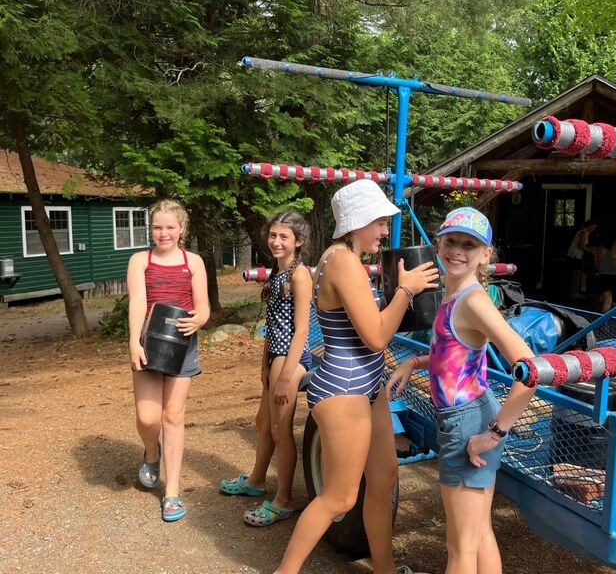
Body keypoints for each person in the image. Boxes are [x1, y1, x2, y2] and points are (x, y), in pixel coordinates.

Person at [271, 179, 439, 574]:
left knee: (383, 478)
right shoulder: (343, 260)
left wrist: (396, 296)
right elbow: (377, 336)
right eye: (379, 222)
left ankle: (384, 568)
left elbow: (366, 318)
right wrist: (406, 291)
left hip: (368, 386)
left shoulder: (346, 259)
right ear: (357, 221)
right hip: (343, 391)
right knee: (341, 497)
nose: (384, 231)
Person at [386, 207, 537, 574]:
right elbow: (453, 355)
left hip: (469, 422)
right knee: (479, 534)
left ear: (486, 254)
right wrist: (412, 363)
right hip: (469, 413)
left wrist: (495, 431)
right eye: (451, 241)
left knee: (460, 548)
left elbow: (530, 369)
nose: (457, 250)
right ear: (437, 243)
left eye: (469, 245)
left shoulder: (472, 300)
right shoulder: (455, 295)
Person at [220, 211, 313, 527]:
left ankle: (284, 500)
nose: (276, 241)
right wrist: (264, 364)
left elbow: (301, 330)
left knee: (280, 430)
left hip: (291, 359)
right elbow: (271, 326)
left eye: (283, 236)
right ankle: (257, 480)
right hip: (274, 357)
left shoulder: (299, 275)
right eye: (273, 235)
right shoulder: (277, 273)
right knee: (264, 422)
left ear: (298, 241)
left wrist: (286, 374)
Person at [127, 199, 210, 523]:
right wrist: (134, 341)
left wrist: (199, 320)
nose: (164, 233)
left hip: (182, 344)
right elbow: (137, 301)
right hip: (149, 341)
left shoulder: (194, 262)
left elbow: (202, 306)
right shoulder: (140, 261)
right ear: (152, 229)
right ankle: (151, 452)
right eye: (158, 227)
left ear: (181, 229)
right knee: (148, 418)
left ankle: (172, 492)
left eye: (170, 227)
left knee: (173, 415)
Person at [566, 218, 598, 300]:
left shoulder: (585, 232)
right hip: (575, 255)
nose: (594, 229)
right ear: (590, 226)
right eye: (593, 227)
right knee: (577, 274)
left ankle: (574, 291)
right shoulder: (583, 232)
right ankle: (574, 292)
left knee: (577, 274)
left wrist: (593, 248)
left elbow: (585, 244)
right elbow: (580, 245)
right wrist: (592, 252)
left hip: (576, 255)